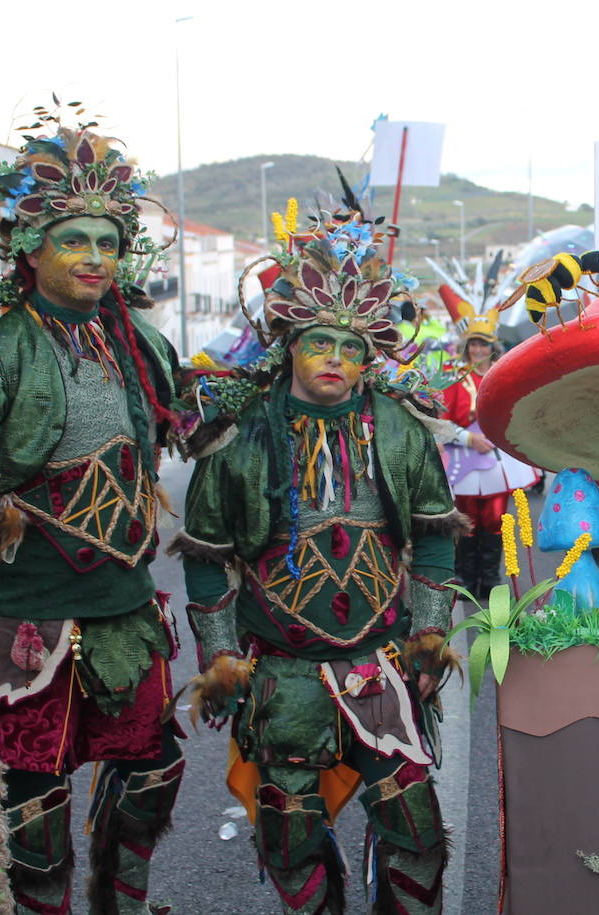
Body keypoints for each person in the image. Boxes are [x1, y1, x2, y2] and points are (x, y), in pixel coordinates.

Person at [0, 122, 184, 913]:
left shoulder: (140, 341)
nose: (96, 256)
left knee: (156, 771)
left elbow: (195, 420)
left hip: (126, 606)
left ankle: (121, 902)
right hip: (29, 613)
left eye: (108, 238)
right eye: (74, 239)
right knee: (34, 807)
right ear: (31, 247)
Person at [170, 209, 465, 914]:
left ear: (369, 355)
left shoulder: (398, 428)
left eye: (351, 345)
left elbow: (433, 536)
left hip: (380, 664)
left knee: (416, 827)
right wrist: (219, 657)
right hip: (283, 671)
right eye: (320, 341)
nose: (336, 356)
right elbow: (207, 557)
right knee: (289, 835)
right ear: (288, 343)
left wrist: (428, 636)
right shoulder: (238, 438)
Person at [440, 309, 537, 597]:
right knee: (467, 519)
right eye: (473, 344)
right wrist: (469, 438)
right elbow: (442, 420)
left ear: (492, 347)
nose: (477, 350)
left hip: (497, 460)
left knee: (495, 519)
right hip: (464, 460)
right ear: (466, 346)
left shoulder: (503, 374)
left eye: (483, 344)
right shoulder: (455, 378)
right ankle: (466, 578)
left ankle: (490, 578)